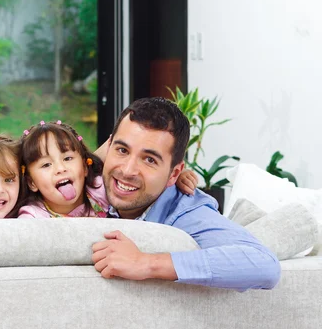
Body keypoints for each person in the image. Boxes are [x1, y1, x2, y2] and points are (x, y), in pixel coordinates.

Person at [91, 97, 281, 291]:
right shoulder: (93, 186)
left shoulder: (188, 213)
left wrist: (145, 263)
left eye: (149, 160)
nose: (127, 170)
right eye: (122, 150)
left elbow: (265, 265)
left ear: (174, 173)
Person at [17, 120, 109, 218]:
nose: (60, 169)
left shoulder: (100, 190)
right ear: (31, 182)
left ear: (85, 166)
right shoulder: (32, 217)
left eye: (67, 158)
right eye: (46, 165)